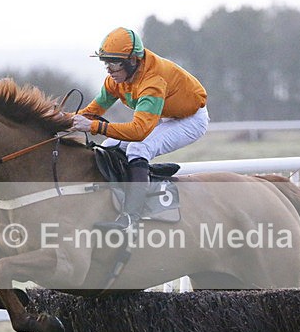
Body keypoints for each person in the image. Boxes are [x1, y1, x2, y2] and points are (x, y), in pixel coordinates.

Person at [71, 27, 209, 230]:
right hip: (165, 116)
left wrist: (93, 126)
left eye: (114, 62)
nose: (109, 69)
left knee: (138, 148)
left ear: (133, 60)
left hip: (191, 120)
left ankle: (131, 217)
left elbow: (139, 132)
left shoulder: (152, 81)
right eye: (106, 62)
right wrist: (61, 120)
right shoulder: (118, 79)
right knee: (107, 146)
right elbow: (92, 111)